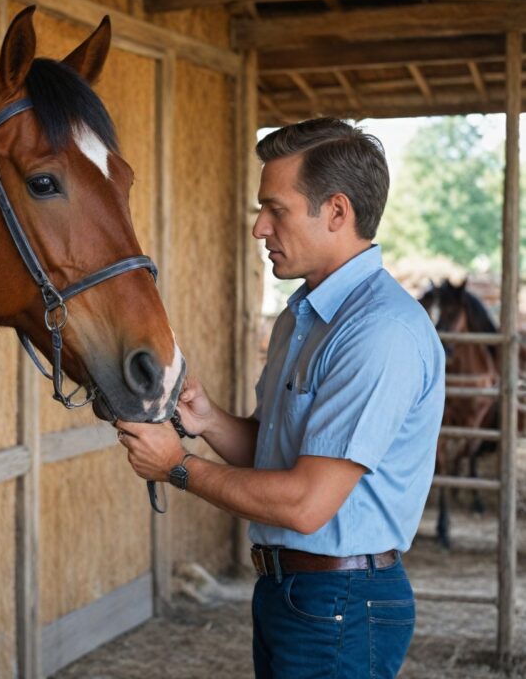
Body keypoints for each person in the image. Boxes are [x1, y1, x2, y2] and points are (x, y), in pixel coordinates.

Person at [117, 118, 445, 679]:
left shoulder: (378, 332)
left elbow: (305, 502)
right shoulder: (303, 318)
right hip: (294, 592)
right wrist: (210, 421)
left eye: (276, 210)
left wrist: (177, 468)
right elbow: (278, 458)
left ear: (336, 212)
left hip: (341, 601)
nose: (259, 228)